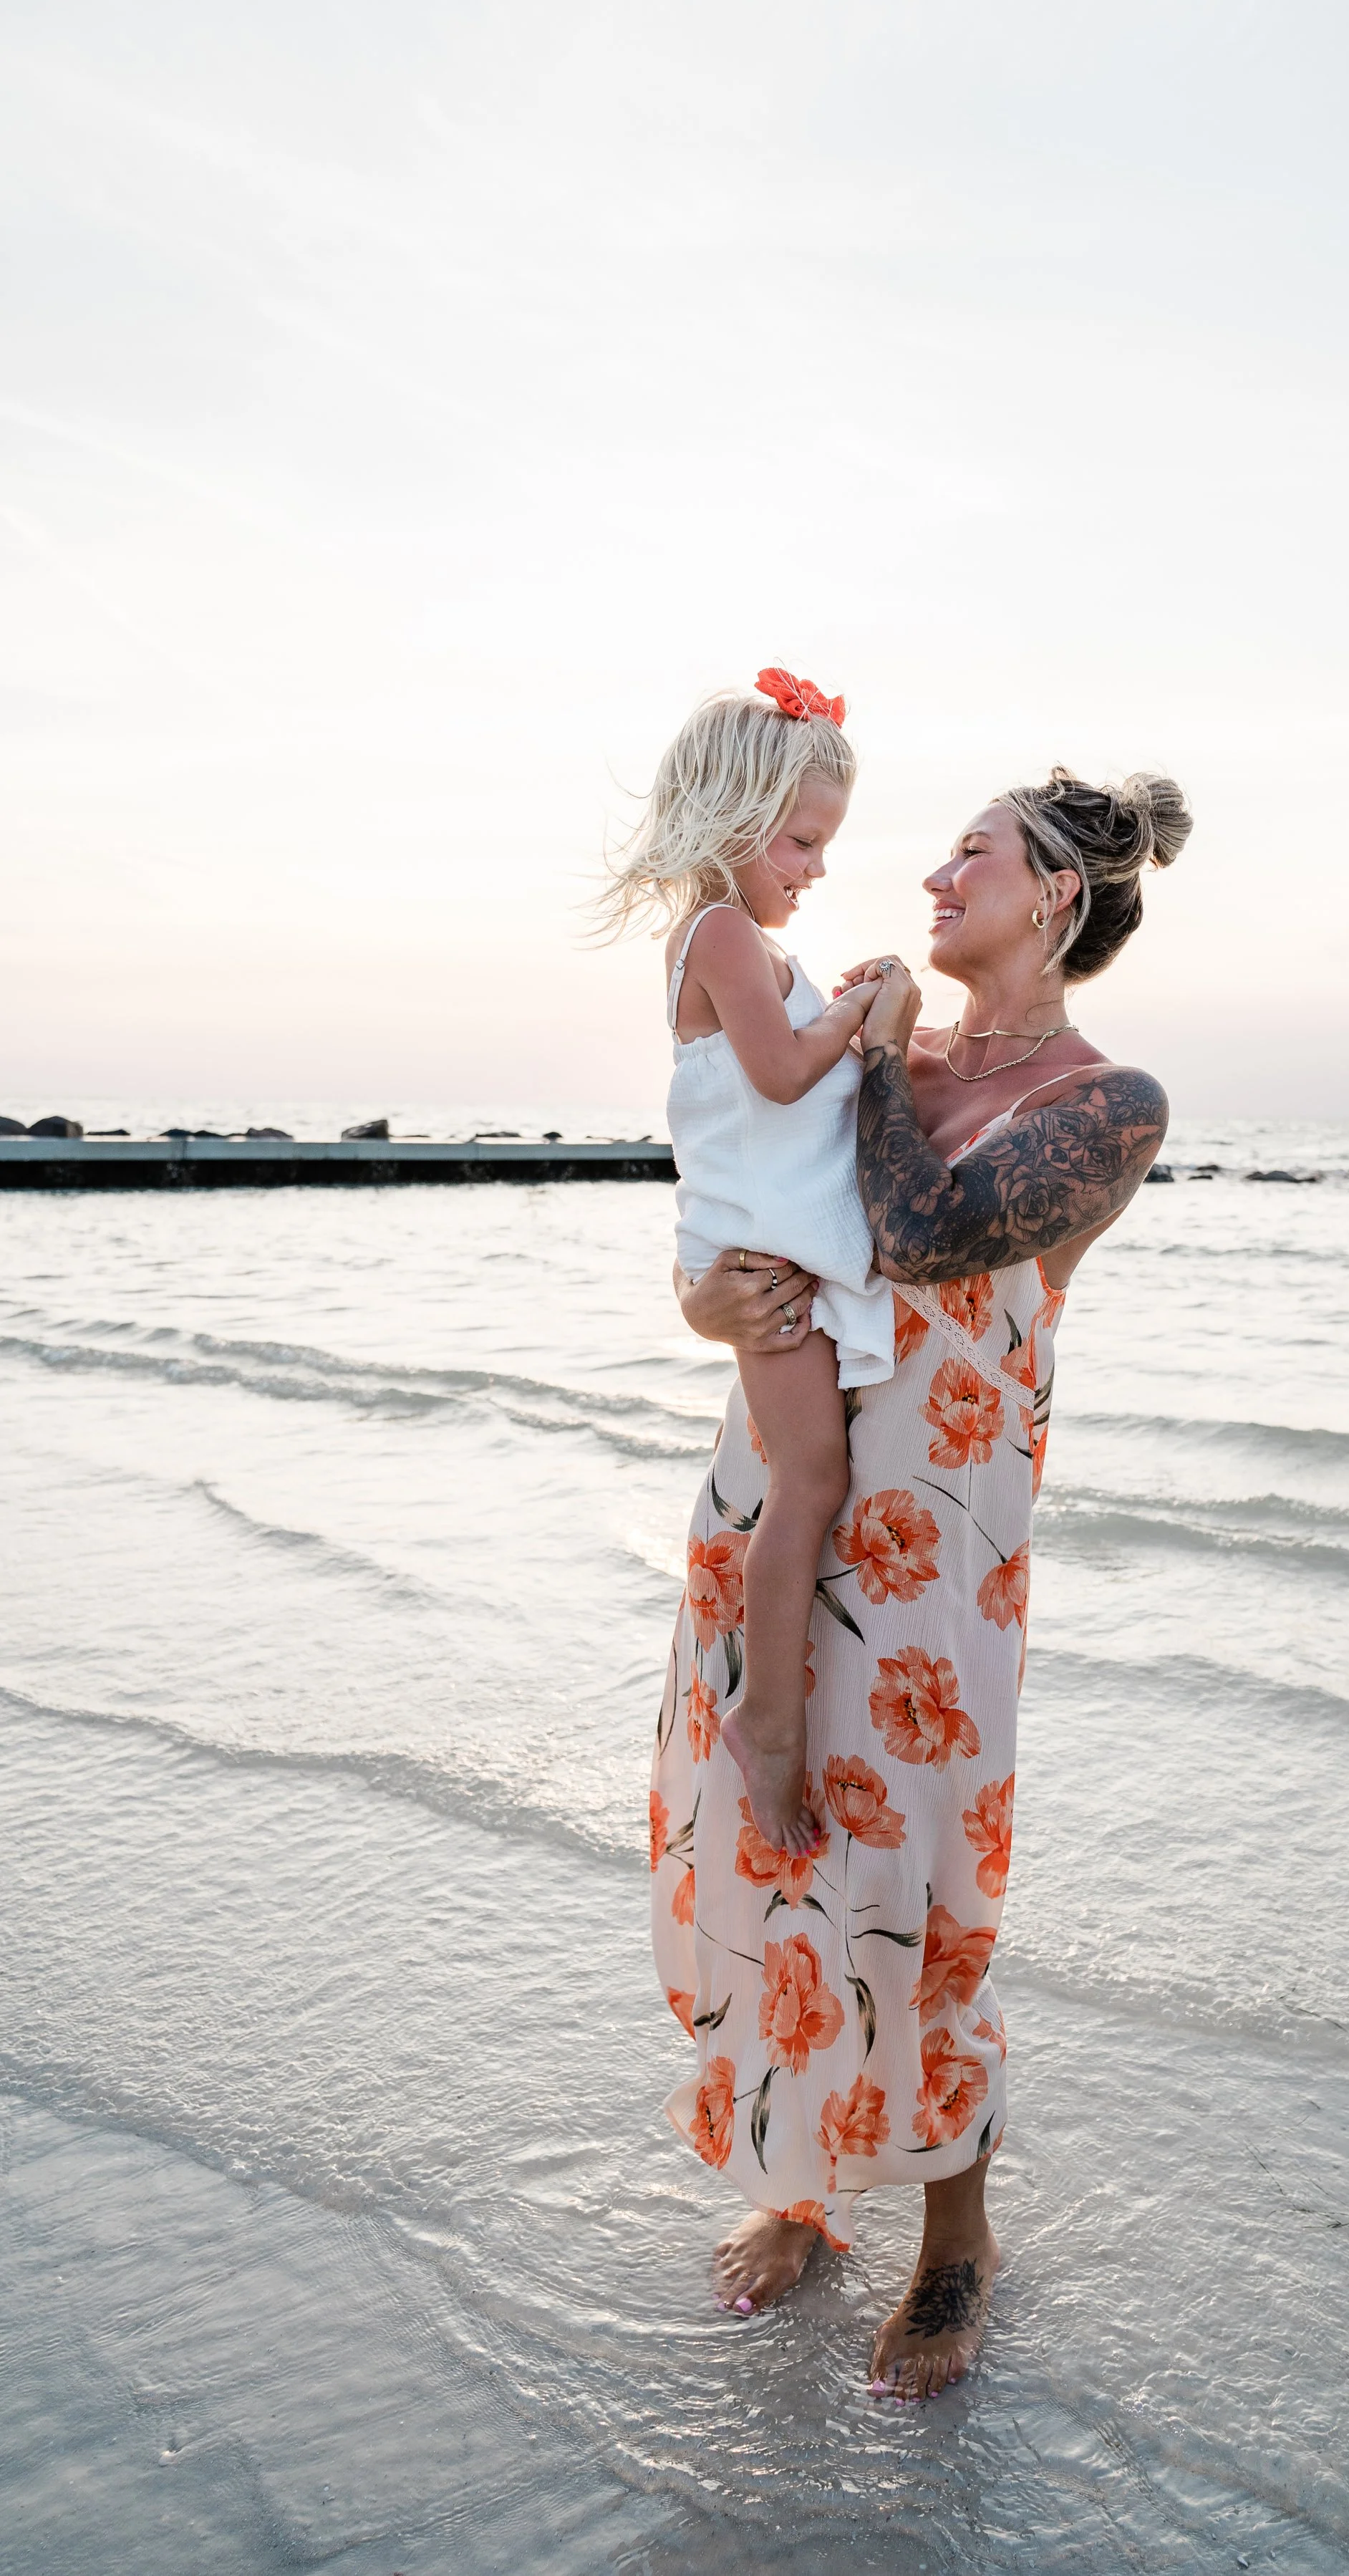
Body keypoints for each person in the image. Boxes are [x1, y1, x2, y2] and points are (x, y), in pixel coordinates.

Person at [652, 763, 1191, 2401]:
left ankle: (955, 2234)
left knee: (919, 1883)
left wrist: (877, 1058)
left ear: (1062, 900)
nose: (935, 874)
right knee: (772, 1854)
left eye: (976, 855)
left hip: (933, 1561)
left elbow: (926, 1224)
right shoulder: (865, 1059)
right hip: (771, 1494)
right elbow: (750, 1246)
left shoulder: (1108, 1104)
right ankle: (802, 2185)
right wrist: (715, 1314)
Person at [598, 669, 896, 1859]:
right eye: (804, 841)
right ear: (733, 817)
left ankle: (771, 1703)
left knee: (814, 1478)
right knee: (810, 1483)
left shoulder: (740, 938)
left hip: (777, 1248)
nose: (816, 868)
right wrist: (862, 1009)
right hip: (761, 1259)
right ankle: (768, 1721)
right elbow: (780, 1075)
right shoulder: (722, 932)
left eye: (825, 847)